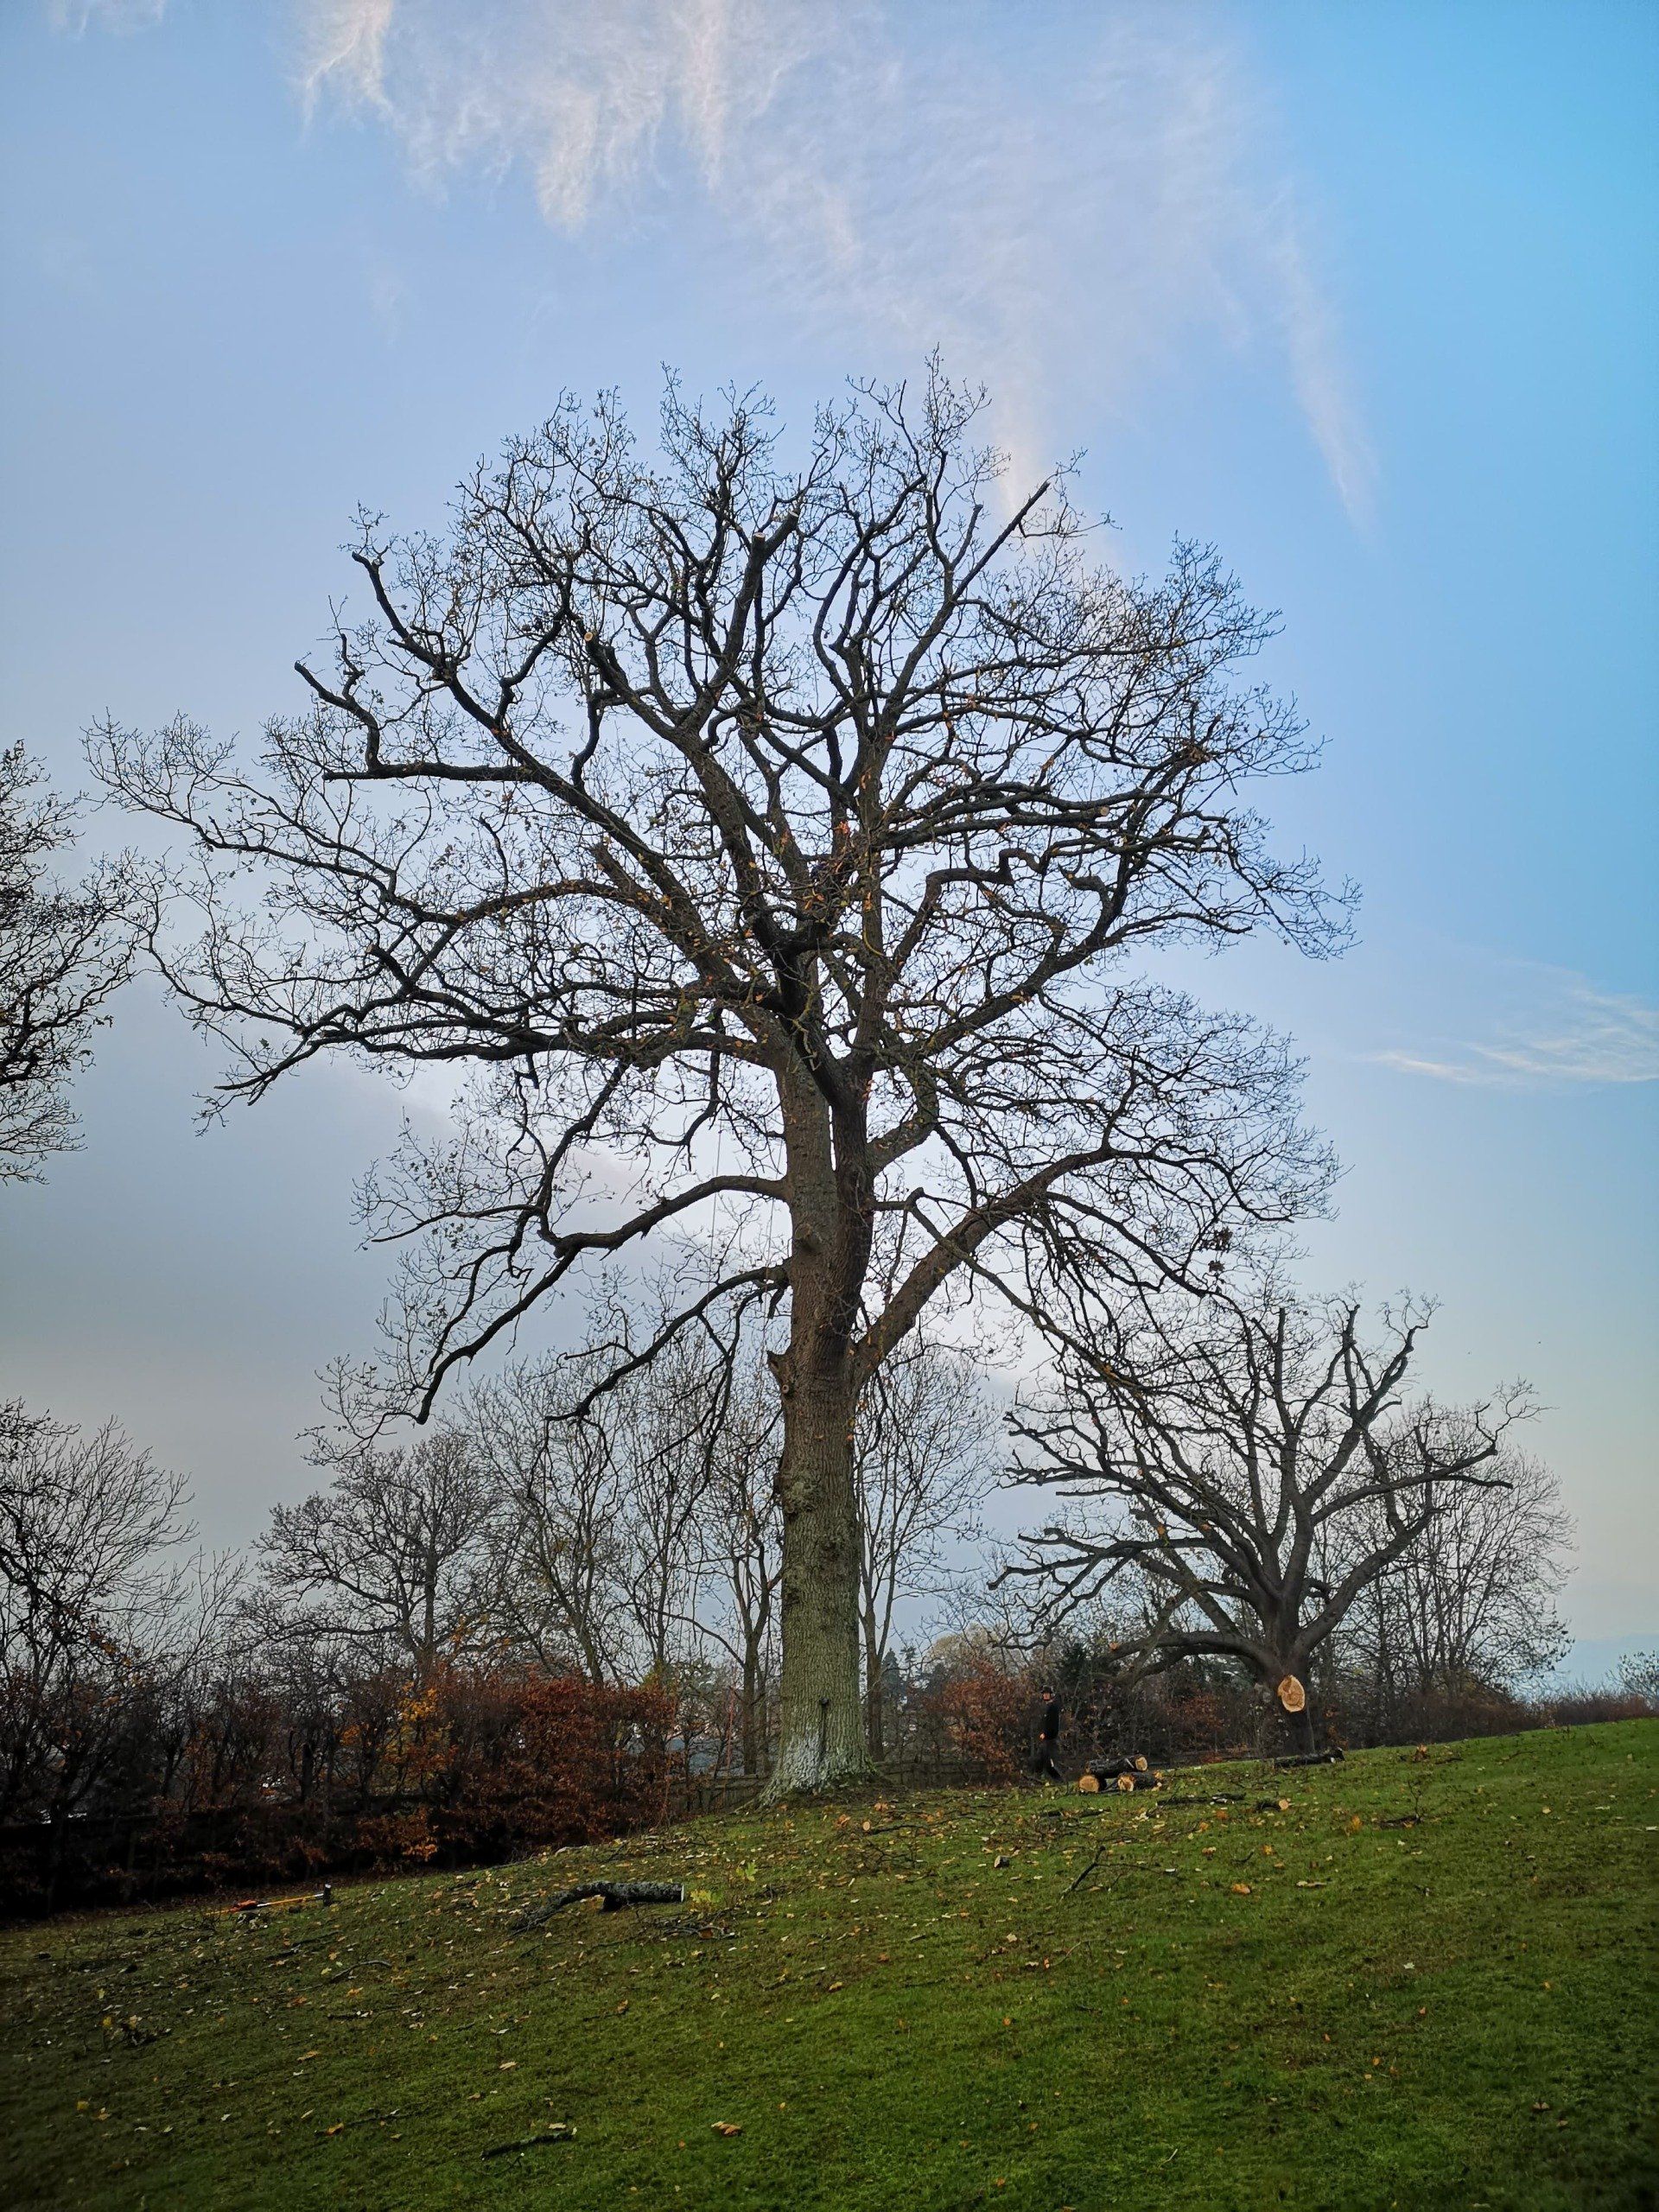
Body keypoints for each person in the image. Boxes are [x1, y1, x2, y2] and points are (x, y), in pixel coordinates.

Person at [1033, 1685, 1062, 1782]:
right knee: (1039, 1759)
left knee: (1048, 1763)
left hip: (1050, 1739)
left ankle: (1059, 1781)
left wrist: (1046, 1733)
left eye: (1047, 1693)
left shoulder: (1053, 1708)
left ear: (1051, 1695)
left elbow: (1053, 1725)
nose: (1045, 1695)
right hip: (1045, 1739)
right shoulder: (1045, 1707)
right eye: (1044, 1694)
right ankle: (1036, 1779)